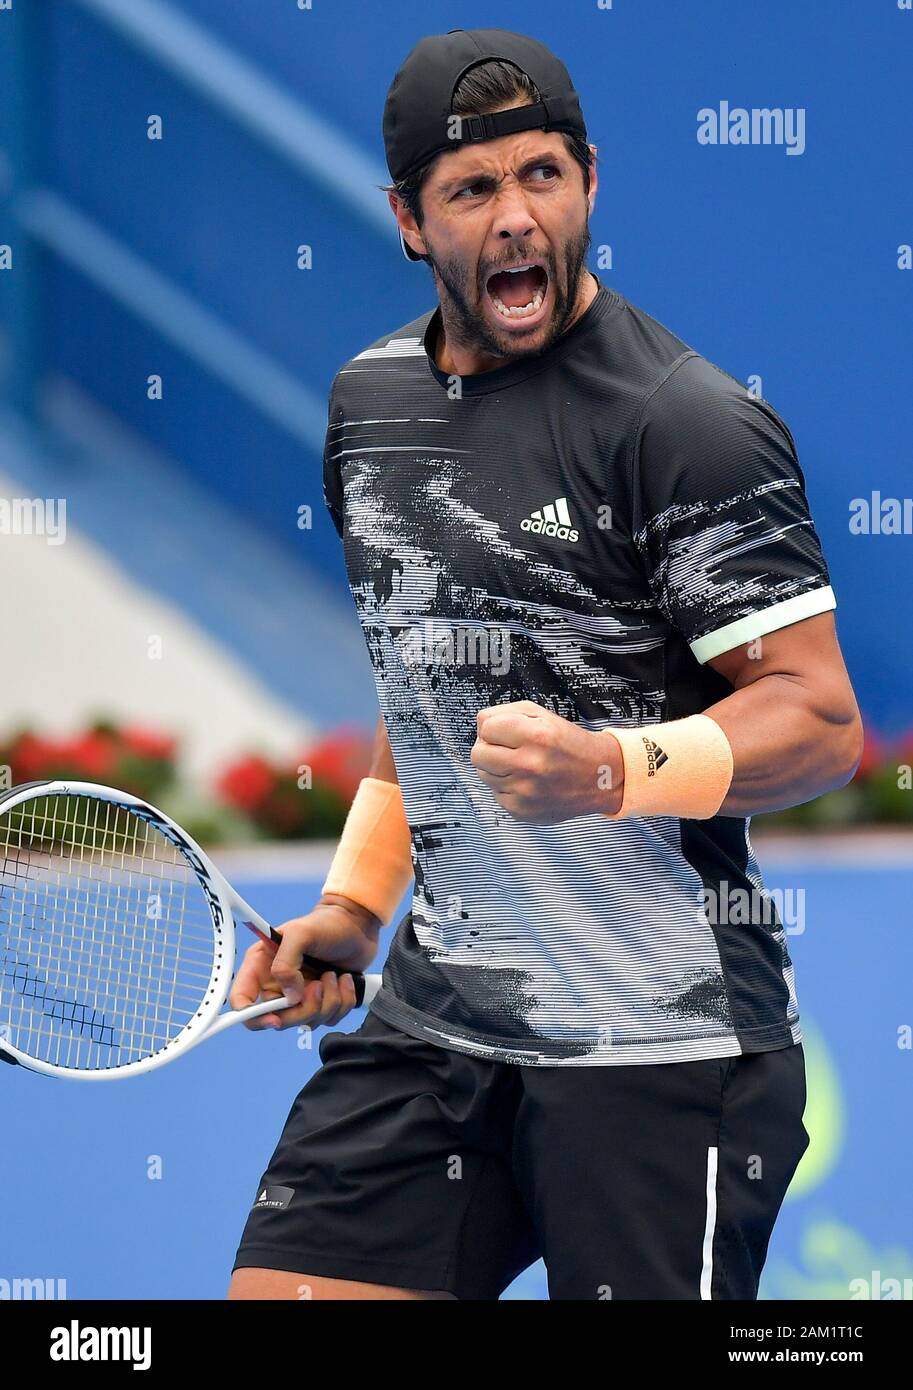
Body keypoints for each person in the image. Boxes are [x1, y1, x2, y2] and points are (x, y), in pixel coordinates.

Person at [228, 28, 862, 1301]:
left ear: (589, 184)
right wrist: (353, 910)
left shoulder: (684, 425)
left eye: (542, 177)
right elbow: (419, 696)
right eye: (472, 191)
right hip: (439, 1024)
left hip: (663, 1046)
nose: (515, 220)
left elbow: (819, 721)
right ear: (410, 220)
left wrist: (614, 769)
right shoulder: (370, 407)